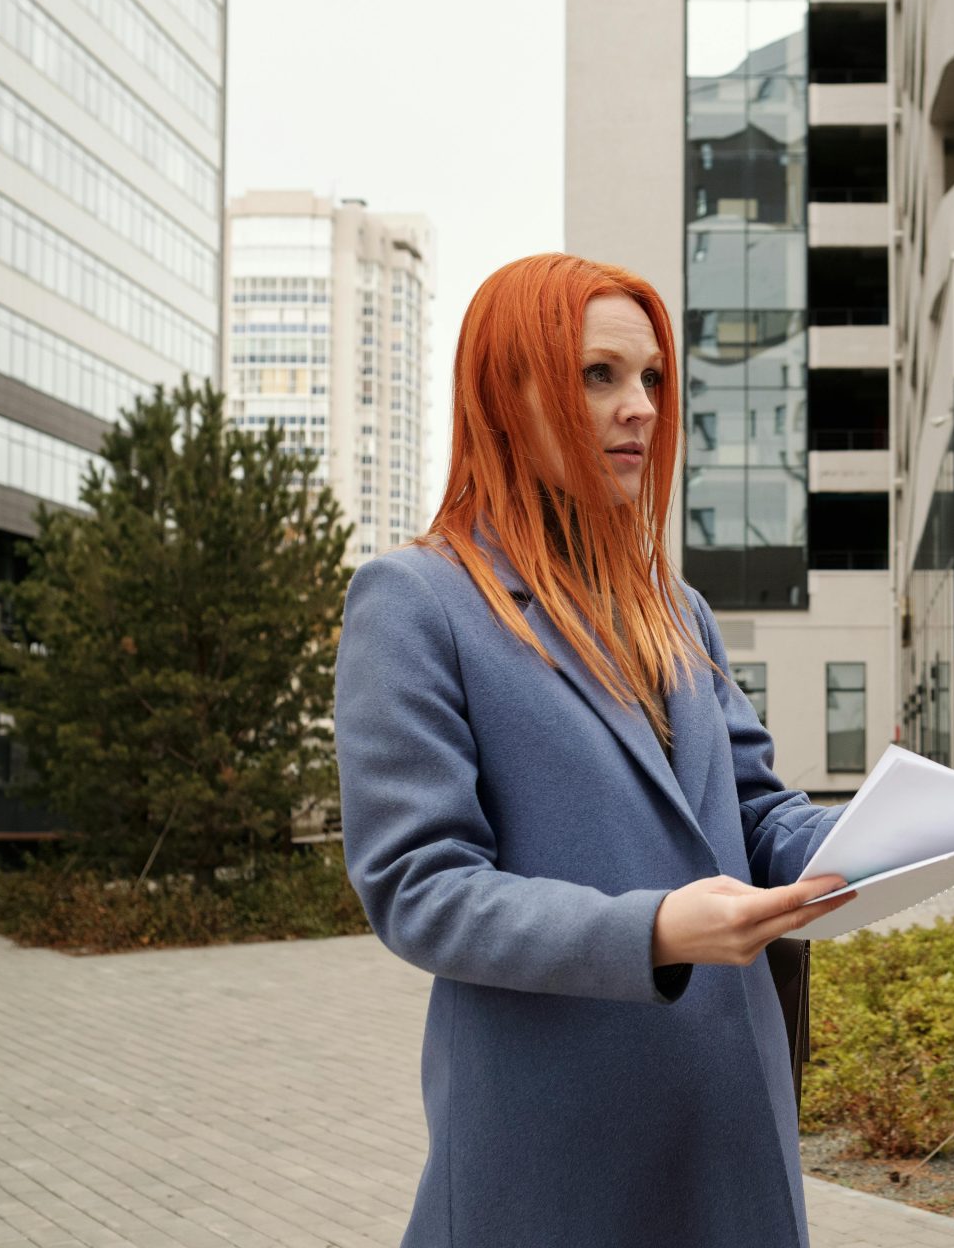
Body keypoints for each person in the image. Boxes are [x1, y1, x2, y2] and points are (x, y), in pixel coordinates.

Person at [333, 253, 856, 1247]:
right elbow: (420, 887)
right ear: (504, 393)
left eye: (654, 378)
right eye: (598, 375)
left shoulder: (675, 605)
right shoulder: (417, 602)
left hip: (729, 1137)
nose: (642, 407)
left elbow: (755, 812)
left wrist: (895, 833)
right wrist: (655, 927)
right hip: (555, 1157)